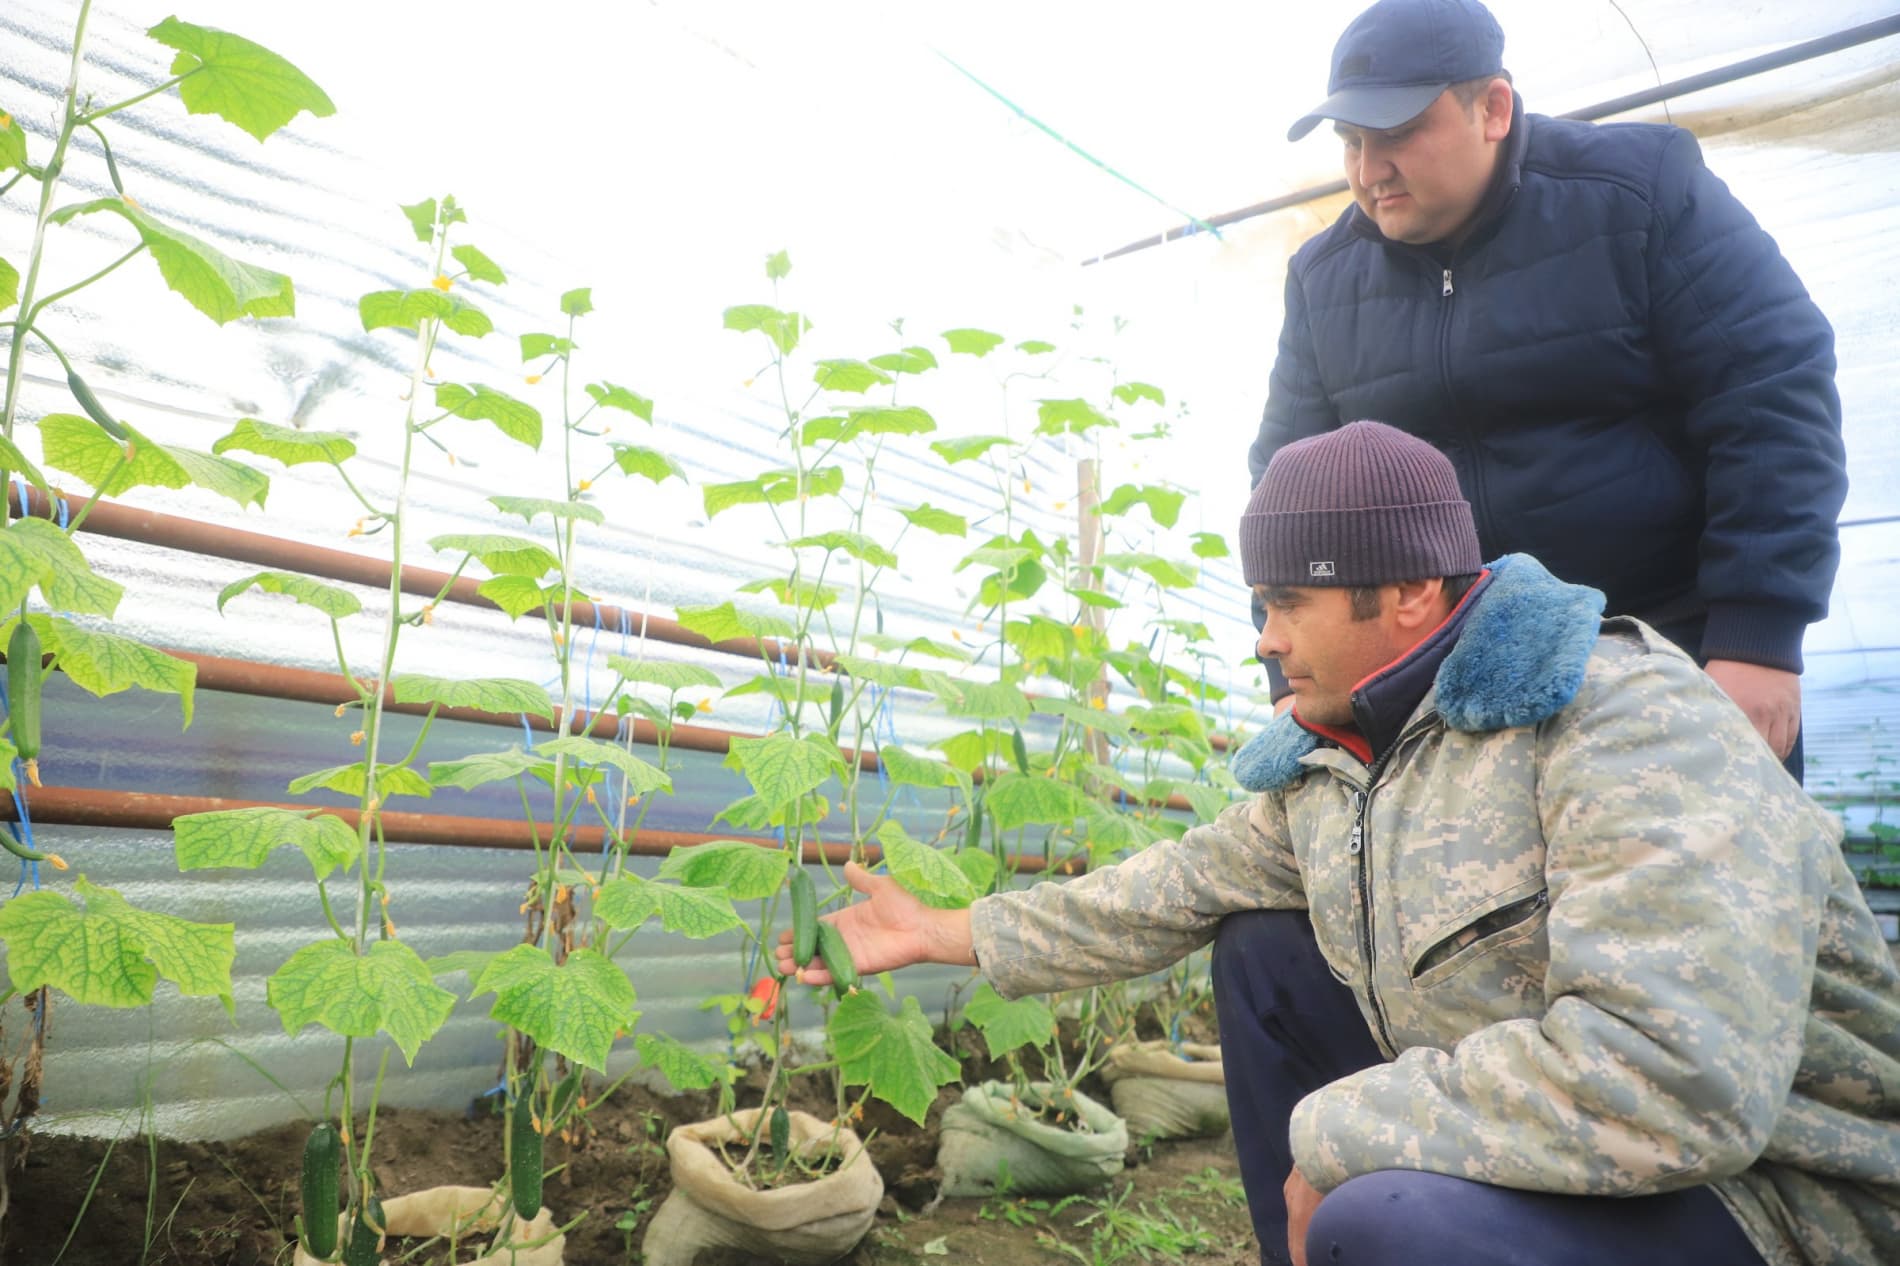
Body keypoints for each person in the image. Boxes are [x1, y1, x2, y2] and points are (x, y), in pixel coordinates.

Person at [778, 422, 1900, 1266]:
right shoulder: (1342, 754)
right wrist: (945, 931)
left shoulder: (1622, 720)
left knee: (1382, 1212)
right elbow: (1168, 886)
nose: (1262, 639)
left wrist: (1338, 1134)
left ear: (1412, 588)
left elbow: (1673, 1079)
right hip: (1588, 1146)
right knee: (1261, 947)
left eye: (1283, 602)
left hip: (1778, 1197)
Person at [1246, 0, 1847, 779]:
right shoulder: (1325, 279)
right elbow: (1287, 493)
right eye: (1350, 142)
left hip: (1667, 656)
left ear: (1492, 107)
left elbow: (1771, 390)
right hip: (1449, 696)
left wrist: (1758, 636)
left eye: (1394, 135)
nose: (1367, 171)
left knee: (1696, 896)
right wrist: (1289, 675)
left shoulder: (1637, 195)